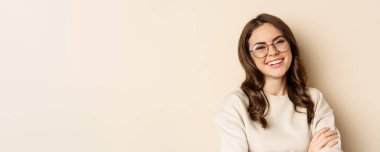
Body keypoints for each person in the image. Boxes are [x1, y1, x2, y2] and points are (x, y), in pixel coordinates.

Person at [214, 13, 343, 152]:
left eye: (279, 41)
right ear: (249, 58)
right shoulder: (235, 104)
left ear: (291, 46)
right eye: (260, 47)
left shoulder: (314, 99)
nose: (273, 52)